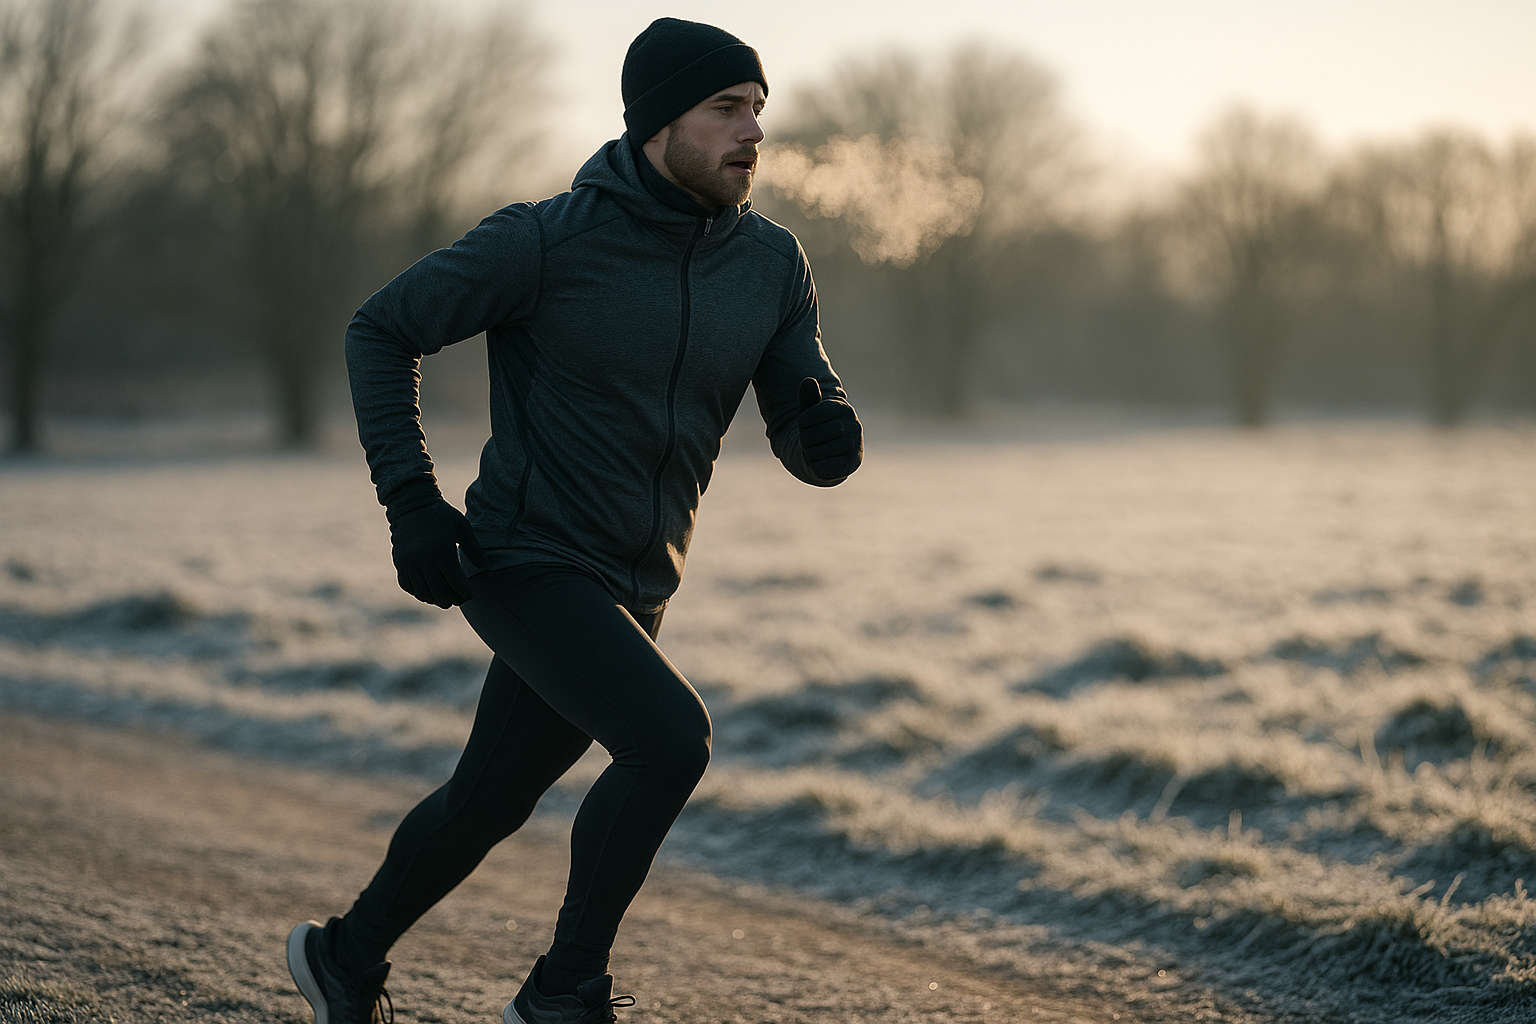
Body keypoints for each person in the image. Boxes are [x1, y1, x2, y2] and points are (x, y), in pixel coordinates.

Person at [285, 16, 863, 1024]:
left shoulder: (771, 264)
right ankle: (563, 993)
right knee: (670, 740)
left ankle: (344, 954)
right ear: (656, 124)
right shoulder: (547, 240)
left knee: (489, 799)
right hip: (524, 557)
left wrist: (826, 436)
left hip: (640, 584)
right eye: (726, 108)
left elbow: (802, 408)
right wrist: (410, 501)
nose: (753, 132)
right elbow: (381, 329)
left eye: (760, 111)